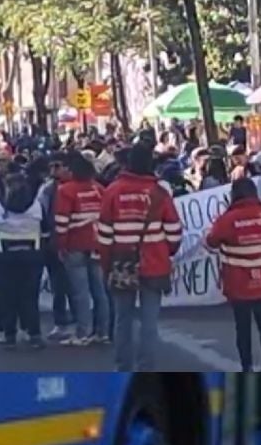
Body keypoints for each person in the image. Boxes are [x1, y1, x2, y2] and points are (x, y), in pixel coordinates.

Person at [98, 144, 183, 371]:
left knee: (122, 318)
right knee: (149, 322)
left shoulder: (113, 191)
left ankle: (122, 366)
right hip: (154, 264)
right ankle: (146, 368)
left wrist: (107, 265)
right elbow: (174, 231)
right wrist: (166, 251)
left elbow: (104, 234)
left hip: (122, 263)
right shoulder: (160, 192)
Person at [206, 178, 261, 371]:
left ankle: (246, 367)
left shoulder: (227, 219)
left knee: (243, 328)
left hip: (238, 284)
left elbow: (211, 241)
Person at [55, 153, 109, 346]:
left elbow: (62, 221)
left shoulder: (66, 190)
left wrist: (61, 245)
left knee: (80, 292)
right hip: (97, 243)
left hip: (75, 244)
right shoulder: (99, 189)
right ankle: (102, 332)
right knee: (100, 291)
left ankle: (82, 333)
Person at [0, 172, 47, 349]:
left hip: (5, 256)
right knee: (30, 297)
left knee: (7, 297)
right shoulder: (37, 206)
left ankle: (9, 335)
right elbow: (46, 230)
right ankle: (34, 334)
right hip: (32, 255)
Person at [37, 156, 75, 341]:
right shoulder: (47, 189)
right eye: (51, 166)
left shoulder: (72, 187)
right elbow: (42, 212)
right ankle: (62, 323)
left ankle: (77, 322)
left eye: (58, 165)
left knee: (75, 286)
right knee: (59, 285)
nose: (54, 169)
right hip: (54, 243)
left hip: (72, 242)